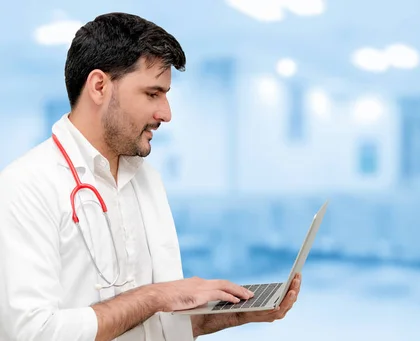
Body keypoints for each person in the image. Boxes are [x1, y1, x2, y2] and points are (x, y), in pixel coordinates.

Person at [0, 12, 301, 341]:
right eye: (152, 94)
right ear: (100, 86)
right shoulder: (25, 186)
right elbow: (31, 332)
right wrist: (157, 296)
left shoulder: (146, 180)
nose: (166, 114)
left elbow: (157, 322)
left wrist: (232, 315)